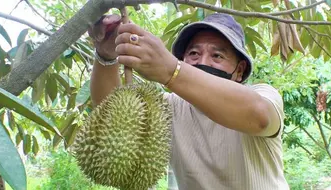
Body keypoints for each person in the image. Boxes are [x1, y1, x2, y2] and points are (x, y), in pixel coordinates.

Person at [89, 12, 289, 190]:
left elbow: (259, 116)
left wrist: (170, 70)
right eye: (193, 53)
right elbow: (110, 114)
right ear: (183, 60)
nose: (202, 62)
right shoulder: (169, 108)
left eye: (217, 55)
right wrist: (106, 55)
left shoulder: (262, 94)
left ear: (239, 70)